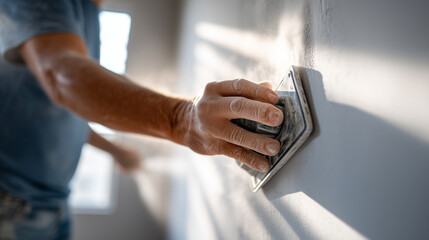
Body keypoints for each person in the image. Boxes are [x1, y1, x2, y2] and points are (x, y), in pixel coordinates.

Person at [0, 0, 284, 239]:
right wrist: (181, 119)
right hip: (11, 201)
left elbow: (62, 111)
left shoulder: (83, 13)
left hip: (51, 202)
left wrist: (117, 151)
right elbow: (62, 79)